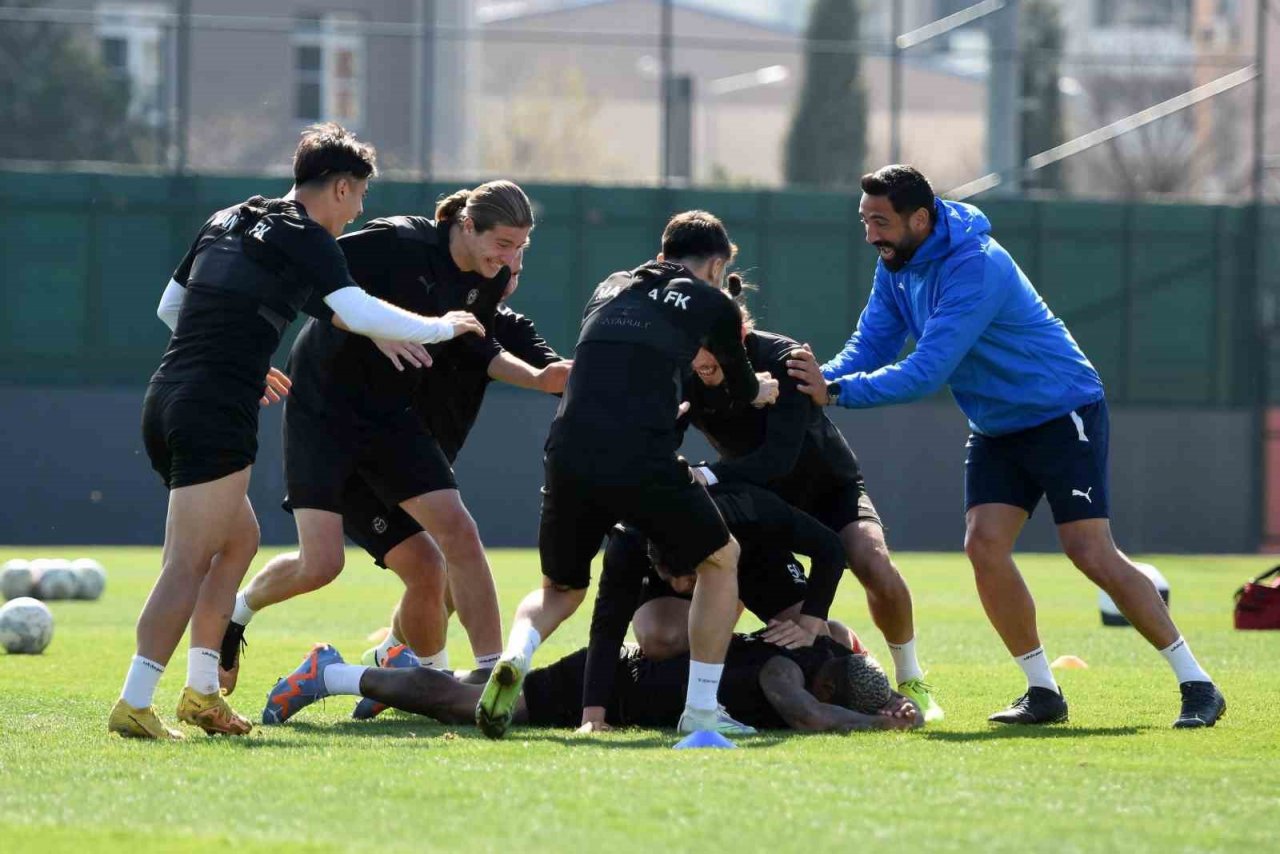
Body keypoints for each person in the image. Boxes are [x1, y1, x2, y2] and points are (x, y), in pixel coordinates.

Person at [787, 164, 1225, 728]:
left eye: (881, 221)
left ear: (919, 218)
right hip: (996, 428)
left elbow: (925, 371)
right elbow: (871, 341)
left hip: (1061, 411)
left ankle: (1198, 684)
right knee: (984, 546)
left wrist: (835, 393)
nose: (871, 233)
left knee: (1089, 550)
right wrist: (814, 382)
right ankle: (1043, 691)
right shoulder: (896, 265)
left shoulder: (977, 265)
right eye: (864, 220)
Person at [111, 123, 481, 741]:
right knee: (186, 563)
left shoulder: (229, 217)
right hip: (213, 411)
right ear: (339, 187)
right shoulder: (308, 236)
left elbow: (171, 309)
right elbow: (354, 307)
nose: (360, 210)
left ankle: (202, 693)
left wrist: (242, 359)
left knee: (239, 543)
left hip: (168, 397)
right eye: (360, 195)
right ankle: (134, 700)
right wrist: (442, 326)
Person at [476, 210, 780, 739]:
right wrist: (762, 389)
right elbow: (737, 387)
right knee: (721, 558)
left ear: (662, 253)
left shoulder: (610, 286)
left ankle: (516, 656)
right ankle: (703, 713)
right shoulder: (713, 302)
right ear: (715, 265)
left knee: (560, 588)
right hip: (640, 454)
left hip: (567, 448)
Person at [220, 182, 535, 691]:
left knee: (449, 542)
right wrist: (370, 326)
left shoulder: (489, 283)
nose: (511, 259)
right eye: (503, 244)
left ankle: (471, 677)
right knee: (320, 564)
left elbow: (485, 351)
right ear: (466, 226)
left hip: (391, 418)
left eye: (521, 247)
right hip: (322, 412)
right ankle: (234, 615)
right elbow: (307, 276)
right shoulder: (399, 241)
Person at [338, 249, 571, 719]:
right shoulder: (434, 312)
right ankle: (453, 677)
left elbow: (553, 375)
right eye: (502, 266)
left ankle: (390, 664)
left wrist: (619, 375)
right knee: (434, 562)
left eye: (518, 272)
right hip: (366, 463)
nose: (508, 281)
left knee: (439, 578)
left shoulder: (506, 325)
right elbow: (341, 306)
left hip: (422, 467)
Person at [680, 320, 942, 721]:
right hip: (761, 500)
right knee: (769, 611)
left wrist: (709, 475)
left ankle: (911, 679)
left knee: (871, 561)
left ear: (739, 337)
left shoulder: (786, 360)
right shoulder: (683, 366)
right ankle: (708, 695)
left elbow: (777, 459)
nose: (700, 358)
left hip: (828, 489)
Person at [579, 481, 850, 732]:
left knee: (820, 640)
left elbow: (831, 548)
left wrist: (810, 623)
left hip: (754, 558)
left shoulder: (751, 508)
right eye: (669, 578)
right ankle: (725, 659)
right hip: (684, 565)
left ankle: (839, 636)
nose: (679, 586)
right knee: (662, 638)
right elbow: (607, 624)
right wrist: (592, 716)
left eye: (691, 578)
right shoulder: (630, 538)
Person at [261, 632, 920, 734]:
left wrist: (894, 702)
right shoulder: (791, 669)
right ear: (831, 685)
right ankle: (333, 675)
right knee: (483, 708)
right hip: (612, 685)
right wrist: (879, 722)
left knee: (474, 685)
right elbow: (801, 713)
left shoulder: (821, 655)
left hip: (620, 674)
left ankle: (399, 668)